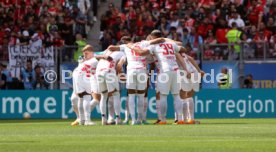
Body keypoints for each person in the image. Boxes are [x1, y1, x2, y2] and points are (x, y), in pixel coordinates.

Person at [127, 30, 189, 125]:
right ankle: (180, 119)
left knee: (163, 96)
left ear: (152, 37)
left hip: (164, 71)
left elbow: (142, 53)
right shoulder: (170, 44)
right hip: (175, 71)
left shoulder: (153, 46)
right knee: (176, 95)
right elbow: (183, 49)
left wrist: (131, 47)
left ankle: (163, 120)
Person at [96, 48, 125, 125]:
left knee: (103, 95)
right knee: (116, 94)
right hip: (109, 71)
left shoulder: (105, 51)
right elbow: (119, 66)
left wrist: (104, 57)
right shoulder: (122, 53)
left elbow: (94, 55)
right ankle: (118, 118)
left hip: (98, 73)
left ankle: (103, 119)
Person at [75, 45, 102, 125]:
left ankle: (81, 120)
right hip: (84, 75)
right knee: (86, 96)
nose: (85, 55)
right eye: (84, 53)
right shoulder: (95, 58)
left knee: (81, 98)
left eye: (86, 53)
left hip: (78, 74)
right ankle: (87, 120)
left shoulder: (82, 59)